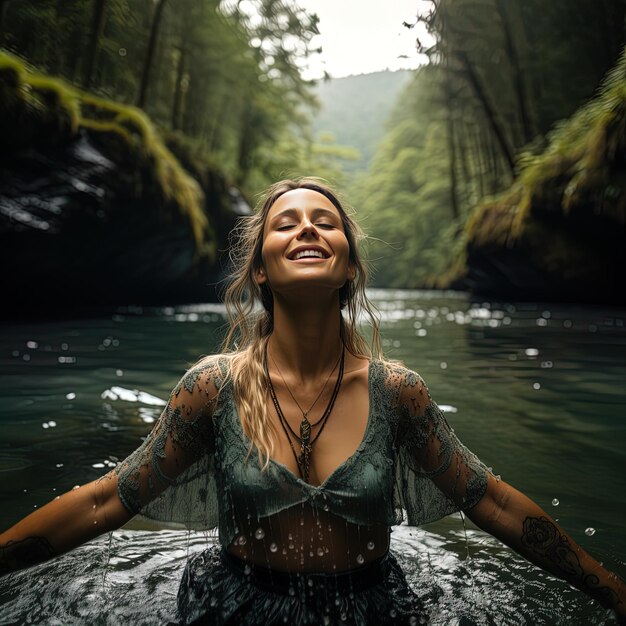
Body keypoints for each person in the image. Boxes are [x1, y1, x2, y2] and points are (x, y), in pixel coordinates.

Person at [1, 177, 624, 625]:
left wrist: (611, 591)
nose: (307, 227)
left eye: (326, 222)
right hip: (234, 605)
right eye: (286, 222)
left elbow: (489, 499)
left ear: (349, 265)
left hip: (372, 606)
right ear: (261, 272)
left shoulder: (398, 393)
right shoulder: (210, 388)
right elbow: (108, 498)